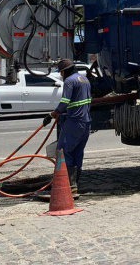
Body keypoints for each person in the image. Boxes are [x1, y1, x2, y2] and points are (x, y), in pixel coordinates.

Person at [45, 58, 92, 198]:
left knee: (63, 151)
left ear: (64, 71)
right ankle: (74, 184)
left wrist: (53, 114)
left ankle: (67, 186)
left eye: (61, 72)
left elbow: (65, 101)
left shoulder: (70, 81)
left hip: (74, 121)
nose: (61, 74)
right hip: (86, 122)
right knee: (77, 152)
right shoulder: (84, 80)